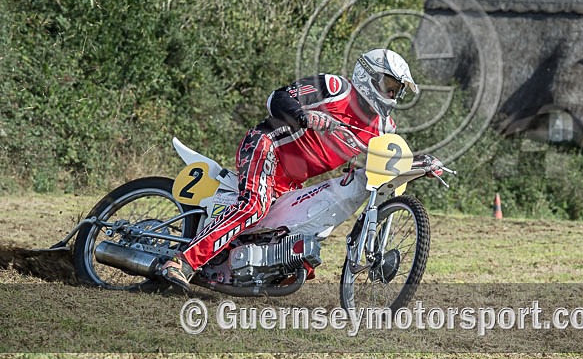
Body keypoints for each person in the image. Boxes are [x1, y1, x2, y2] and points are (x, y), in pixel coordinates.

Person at [160, 48, 418, 292]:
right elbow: (278, 98)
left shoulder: (384, 128)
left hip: (292, 180)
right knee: (254, 206)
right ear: (368, 76)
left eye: (396, 91)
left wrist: (421, 164)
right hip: (266, 146)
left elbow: (384, 162)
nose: (392, 95)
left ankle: (230, 266)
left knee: (301, 232)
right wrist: (304, 116)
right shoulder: (335, 88)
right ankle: (182, 261)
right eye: (389, 86)